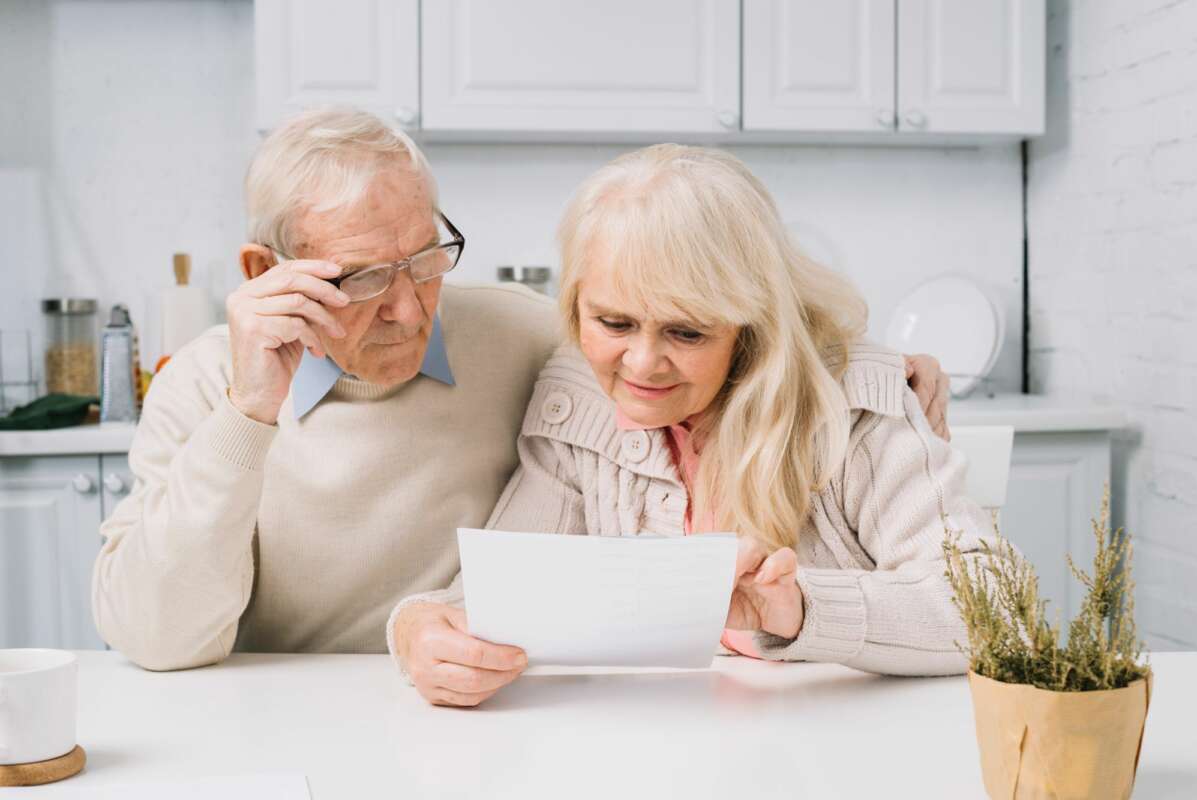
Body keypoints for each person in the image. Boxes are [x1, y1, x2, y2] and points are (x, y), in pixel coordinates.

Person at [93, 108, 950, 672]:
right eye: (359, 279)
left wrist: (859, 370)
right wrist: (248, 415)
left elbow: (690, 304)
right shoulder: (204, 387)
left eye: (426, 259)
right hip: (285, 723)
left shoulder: (534, 338)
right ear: (264, 273)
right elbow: (156, 640)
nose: (408, 307)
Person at [391, 144, 995, 708]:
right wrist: (415, 628)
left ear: (751, 326)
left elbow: (994, 611)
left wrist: (802, 609)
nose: (642, 364)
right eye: (614, 323)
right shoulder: (574, 393)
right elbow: (496, 597)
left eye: (687, 332)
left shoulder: (856, 406)